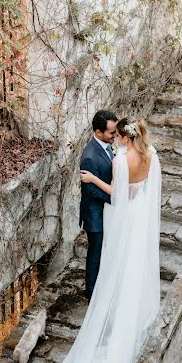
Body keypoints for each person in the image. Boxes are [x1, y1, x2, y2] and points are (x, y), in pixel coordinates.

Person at [44, 118, 161, 363]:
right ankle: (135, 301)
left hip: (127, 215)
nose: (116, 140)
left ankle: (116, 303)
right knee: (136, 259)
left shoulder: (122, 160)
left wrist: (94, 177)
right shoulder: (151, 155)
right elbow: (146, 189)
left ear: (125, 137)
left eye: (118, 137)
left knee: (119, 257)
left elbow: (117, 194)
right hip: (141, 213)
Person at [79, 110, 118, 301]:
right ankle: (91, 293)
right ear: (98, 132)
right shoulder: (89, 156)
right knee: (95, 253)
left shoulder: (107, 146)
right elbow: (89, 191)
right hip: (95, 215)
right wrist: (114, 198)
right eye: (111, 132)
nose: (115, 135)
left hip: (106, 211)